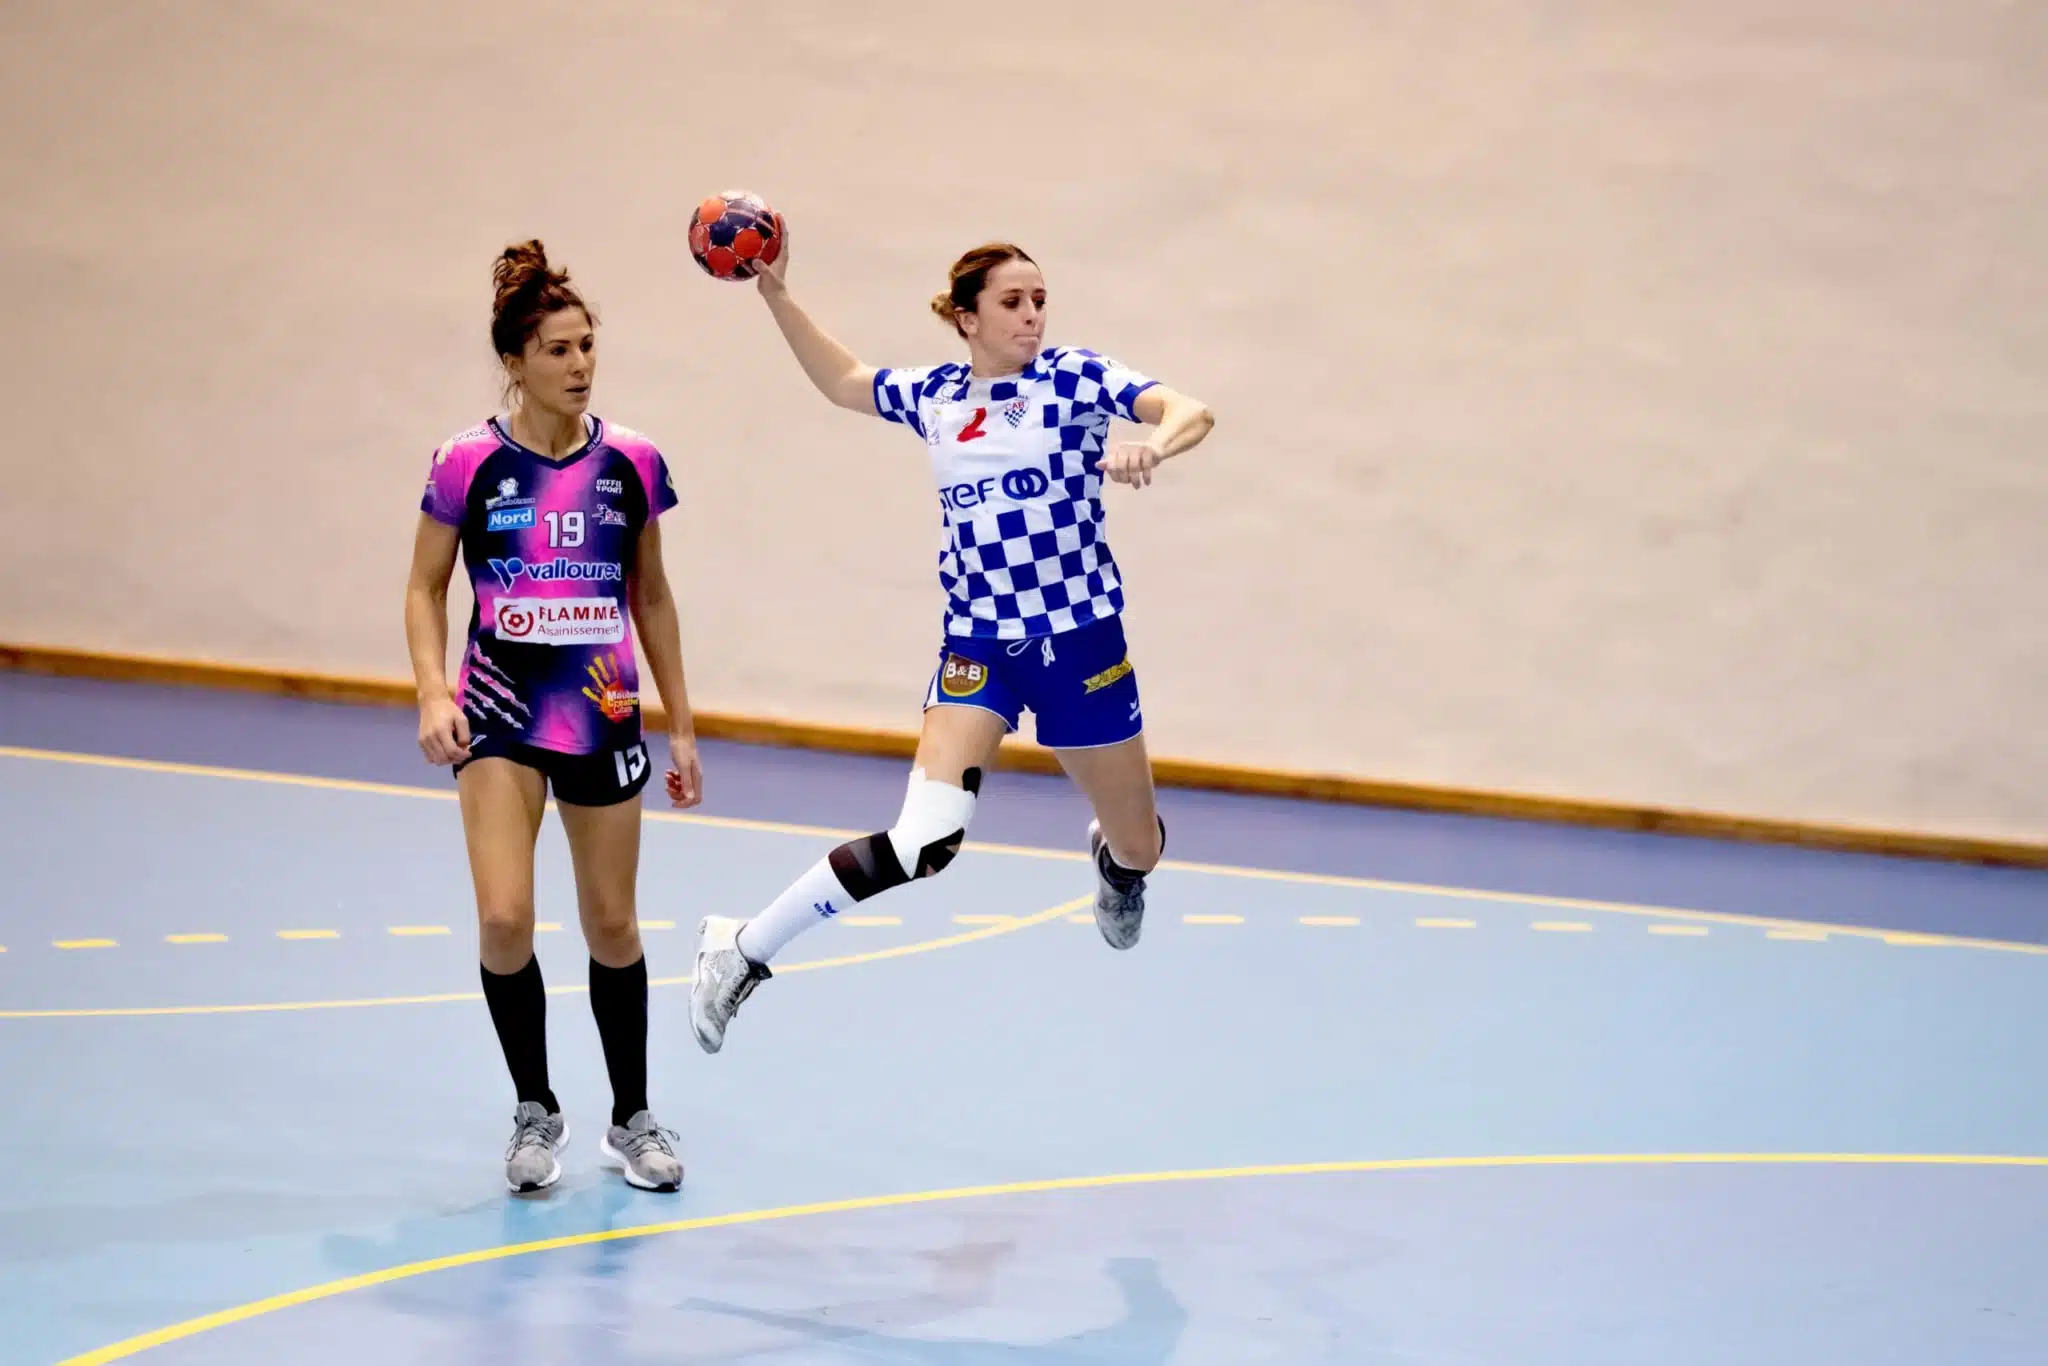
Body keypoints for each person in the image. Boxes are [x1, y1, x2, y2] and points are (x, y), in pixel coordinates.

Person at [687, 237, 1215, 1053]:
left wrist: (1154, 442)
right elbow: (844, 380)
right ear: (967, 318)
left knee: (1140, 845)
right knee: (924, 842)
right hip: (980, 646)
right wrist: (776, 295)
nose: (1032, 316)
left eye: (1040, 300)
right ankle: (742, 947)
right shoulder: (935, 396)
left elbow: (1190, 410)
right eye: (1012, 302)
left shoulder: (1073, 377)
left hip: (1081, 646)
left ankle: (1117, 867)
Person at [403, 239, 703, 1192]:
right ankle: (535, 1109)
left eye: (587, 348)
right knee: (504, 918)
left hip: (602, 710)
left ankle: (632, 1119)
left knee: (612, 923)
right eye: (559, 350)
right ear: (516, 361)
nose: (580, 366)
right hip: (497, 710)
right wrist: (433, 690)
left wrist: (681, 723)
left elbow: (652, 595)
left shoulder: (633, 462)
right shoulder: (466, 463)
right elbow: (424, 587)